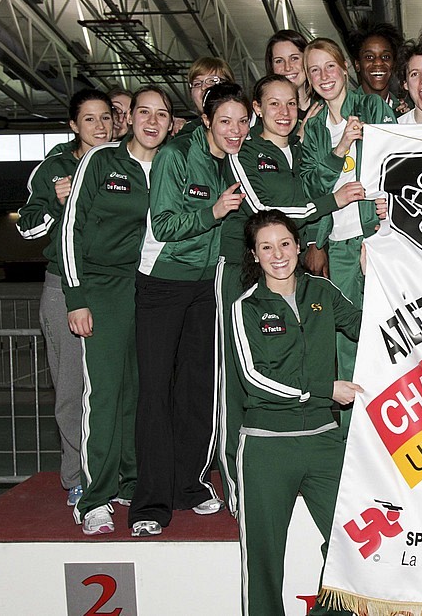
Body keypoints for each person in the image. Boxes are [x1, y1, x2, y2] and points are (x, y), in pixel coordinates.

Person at [216, 74, 367, 513]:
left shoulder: (298, 151)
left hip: (287, 267)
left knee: (295, 363)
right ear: (258, 110)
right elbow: (275, 212)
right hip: (245, 274)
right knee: (238, 378)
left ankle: (302, 470)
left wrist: (336, 161)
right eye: (273, 104)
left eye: (290, 103)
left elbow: (309, 189)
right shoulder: (245, 151)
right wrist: (331, 202)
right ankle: (237, 481)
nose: (283, 112)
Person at [127, 82, 250, 537]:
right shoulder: (176, 156)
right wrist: (212, 212)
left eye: (242, 121)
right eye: (225, 121)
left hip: (206, 288)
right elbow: (161, 224)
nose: (235, 130)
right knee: (156, 393)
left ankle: (189, 486)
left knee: (197, 391)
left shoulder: (237, 159)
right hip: (162, 285)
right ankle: (150, 501)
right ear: (206, 121)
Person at [233, 210, 360, 616]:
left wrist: (374, 277)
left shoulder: (321, 291)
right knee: (264, 561)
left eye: (285, 243)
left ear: (298, 245)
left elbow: (367, 325)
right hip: (268, 447)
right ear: (254, 255)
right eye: (266, 247)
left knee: (351, 545)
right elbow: (254, 379)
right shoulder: (247, 307)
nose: (278, 254)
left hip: (324, 441)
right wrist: (325, 390)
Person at [60, 86, 173, 534]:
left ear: (170, 123)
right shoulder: (101, 160)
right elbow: (72, 227)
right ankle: (94, 496)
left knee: (138, 392)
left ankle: (129, 478)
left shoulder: (171, 164)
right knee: (104, 394)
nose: (151, 121)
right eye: (143, 112)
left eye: (162, 114)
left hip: (149, 290)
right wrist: (77, 296)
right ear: (129, 119)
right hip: (103, 289)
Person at [16, 88, 112, 508]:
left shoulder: (123, 162)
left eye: (106, 117)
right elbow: (27, 228)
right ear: (74, 125)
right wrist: (57, 205)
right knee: (72, 390)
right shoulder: (54, 168)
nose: (99, 126)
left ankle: (114, 471)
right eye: (89, 119)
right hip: (63, 289)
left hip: (113, 289)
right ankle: (76, 477)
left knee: (114, 388)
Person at [300, 38, 396, 428]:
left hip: (375, 239)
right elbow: (310, 188)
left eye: (329, 66)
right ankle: (352, 434)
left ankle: (386, 423)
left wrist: (378, 236)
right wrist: (338, 149)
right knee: (345, 339)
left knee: (387, 333)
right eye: (313, 70)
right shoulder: (313, 128)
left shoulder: (372, 107)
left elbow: (394, 165)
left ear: (344, 68)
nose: (323, 76)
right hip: (337, 245)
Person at [346, 20, 405, 110]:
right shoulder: (344, 108)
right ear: (357, 64)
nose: (378, 62)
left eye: (385, 57)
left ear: (393, 64)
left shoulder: (401, 112)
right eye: (369, 57)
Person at [174, 56, 237, 138]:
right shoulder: (184, 135)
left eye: (212, 81)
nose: (203, 87)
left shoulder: (253, 128)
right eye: (197, 83)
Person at [264, 29, 314, 120]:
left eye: (294, 58)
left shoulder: (326, 106)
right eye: (279, 61)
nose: (287, 67)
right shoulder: (264, 114)